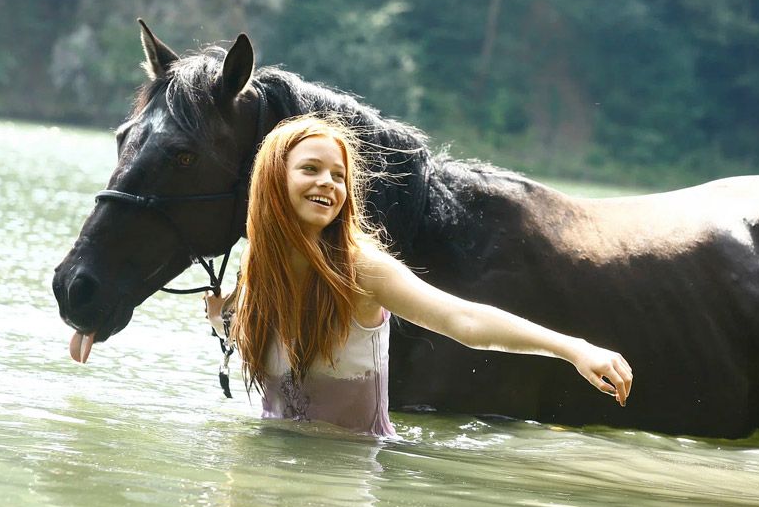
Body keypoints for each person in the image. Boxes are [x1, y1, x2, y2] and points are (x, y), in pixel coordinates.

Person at [205, 114, 633, 436]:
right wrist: (225, 318)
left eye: (339, 175)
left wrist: (572, 348)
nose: (329, 184)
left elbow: (462, 320)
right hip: (267, 462)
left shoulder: (362, 269)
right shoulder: (256, 272)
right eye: (311, 169)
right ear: (273, 181)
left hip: (347, 477)